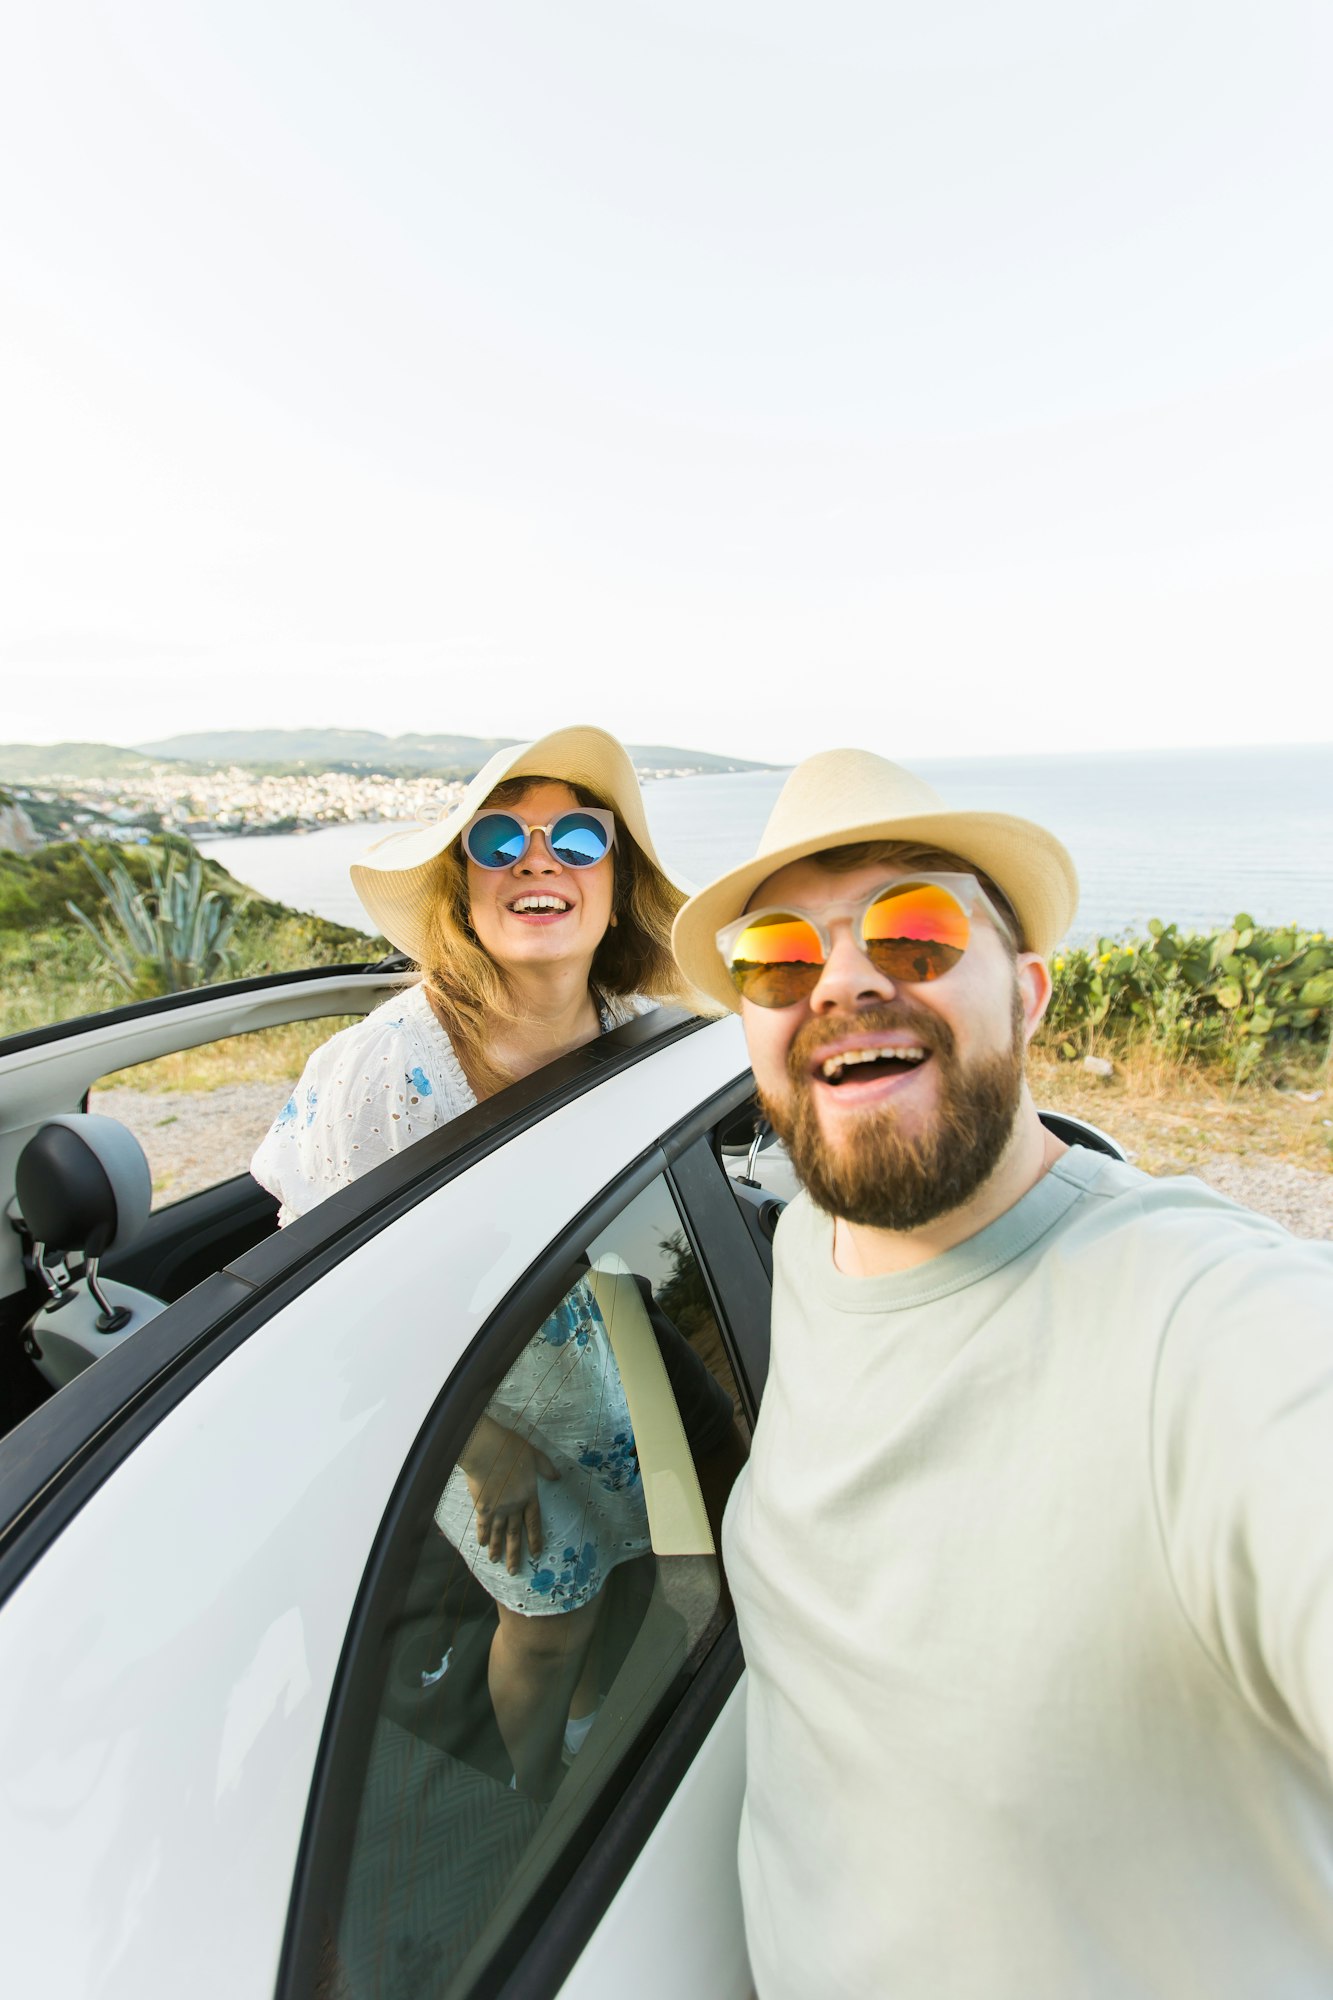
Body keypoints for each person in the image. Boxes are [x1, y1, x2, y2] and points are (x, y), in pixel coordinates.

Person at [671, 747, 1333, 1999]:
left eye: (915, 931)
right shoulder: (815, 1240)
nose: (846, 979)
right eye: (779, 953)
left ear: (1028, 994)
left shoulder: (1203, 1326)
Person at [253, 723, 701, 1798]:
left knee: (618, 1560)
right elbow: (316, 1301)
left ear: (613, 881)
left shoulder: (640, 1027)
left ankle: (589, 1714)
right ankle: (533, 1796)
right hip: (467, 1405)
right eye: (499, 837)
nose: (536, 858)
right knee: (545, 1618)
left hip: (613, 1377)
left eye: (575, 837)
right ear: (464, 888)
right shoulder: (377, 1073)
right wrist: (482, 1442)